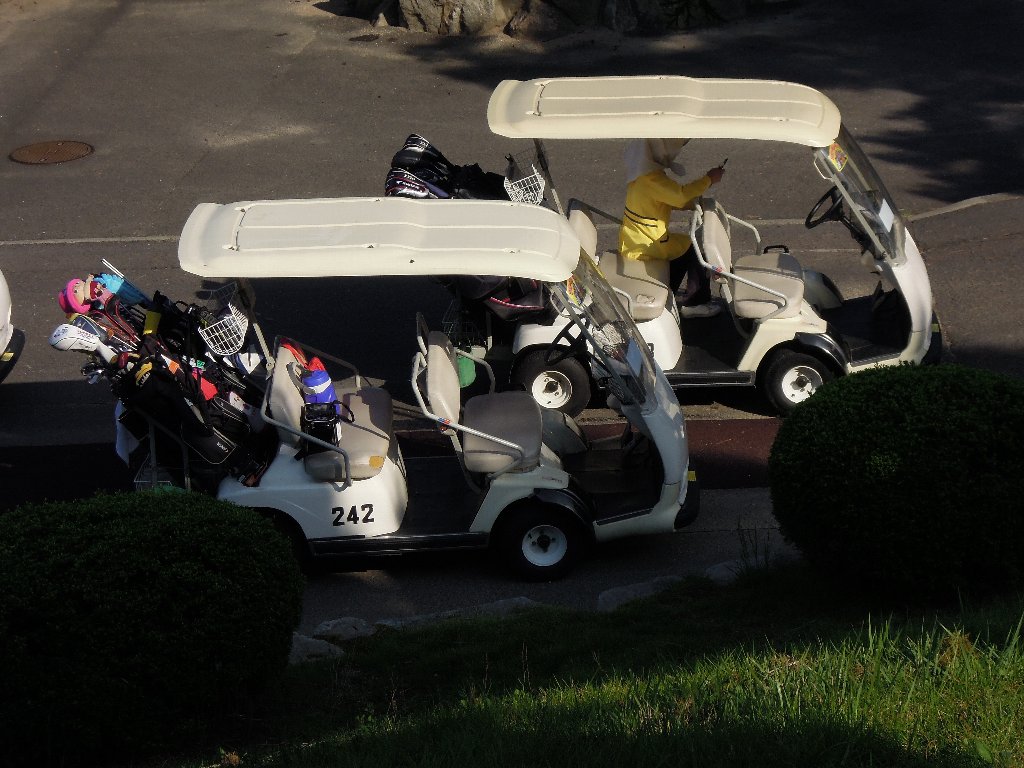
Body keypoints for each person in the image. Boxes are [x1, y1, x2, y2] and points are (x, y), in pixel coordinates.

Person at [618, 138, 726, 318]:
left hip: (634, 240)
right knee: (693, 247)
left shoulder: (639, 174)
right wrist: (709, 179)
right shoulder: (652, 179)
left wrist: (693, 204)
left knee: (682, 247)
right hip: (648, 245)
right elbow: (679, 196)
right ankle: (695, 303)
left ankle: (669, 289)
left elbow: (665, 199)